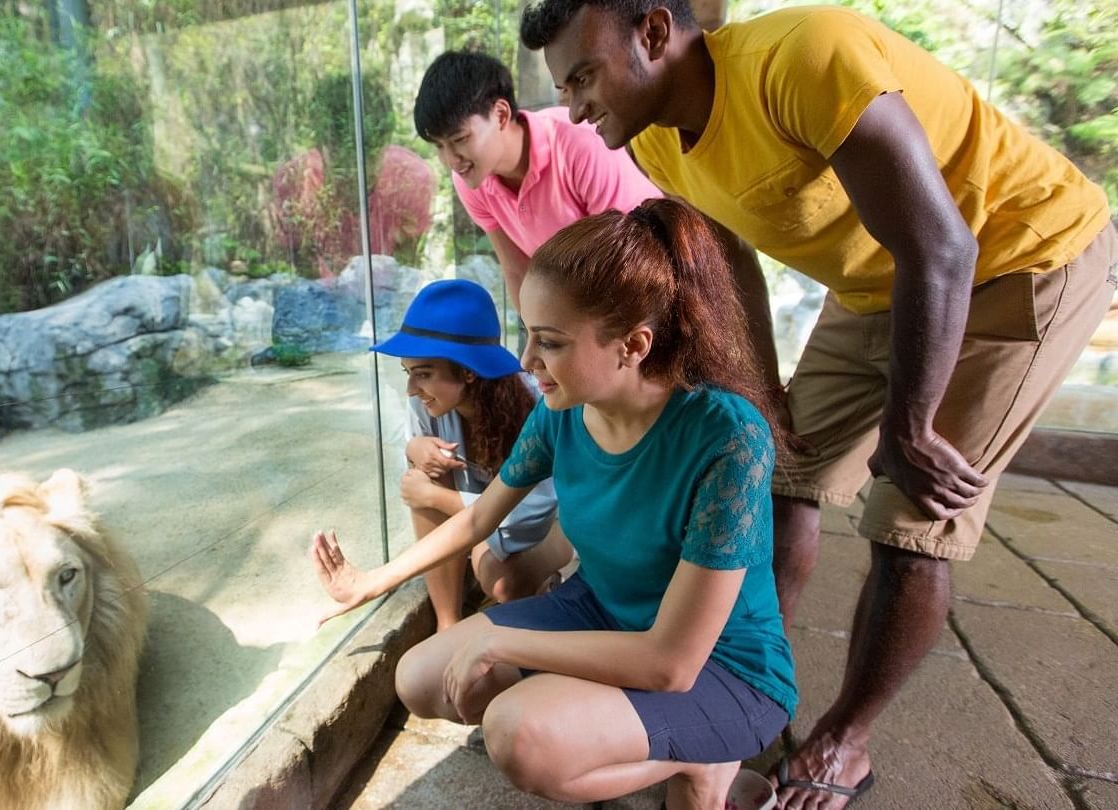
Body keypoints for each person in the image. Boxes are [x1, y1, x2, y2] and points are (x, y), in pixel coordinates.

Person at [518, 1, 1117, 806]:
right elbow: (729, 268)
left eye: (583, 76)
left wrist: (907, 425)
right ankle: (738, 688)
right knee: (783, 476)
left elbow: (943, 245)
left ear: (653, 34)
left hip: (1017, 260)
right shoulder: (656, 134)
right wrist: (763, 401)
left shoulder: (804, 56)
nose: (574, 106)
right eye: (563, 86)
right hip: (877, 281)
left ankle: (843, 742)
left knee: (911, 523)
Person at [312, 199, 797, 809]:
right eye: (526, 335)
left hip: (720, 667)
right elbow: (481, 518)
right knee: (418, 678)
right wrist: (369, 582)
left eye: (549, 342)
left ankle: (706, 761)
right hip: (602, 611)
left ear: (633, 345)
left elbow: (671, 663)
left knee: (519, 735)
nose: (525, 362)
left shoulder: (729, 438)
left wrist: (502, 644)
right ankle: (627, 732)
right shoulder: (560, 414)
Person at [372, 278, 573, 631]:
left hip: (546, 526)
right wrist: (414, 447)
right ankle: (446, 621)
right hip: (479, 522)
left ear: (468, 371)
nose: (411, 389)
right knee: (424, 467)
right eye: (408, 373)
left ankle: (541, 594)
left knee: (504, 585)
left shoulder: (537, 405)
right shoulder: (428, 402)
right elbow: (420, 461)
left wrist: (436, 497)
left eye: (423, 374)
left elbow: (530, 514)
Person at [414, 51, 661, 310]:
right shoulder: (470, 179)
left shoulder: (579, 144)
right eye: (439, 147)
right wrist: (537, 342)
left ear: (500, 114)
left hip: (652, 284)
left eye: (460, 139)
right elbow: (517, 270)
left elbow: (632, 255)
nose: (451, 159)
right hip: (591, 300)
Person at [273, 72, 435, 275]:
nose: (355, 168)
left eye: (369, 153)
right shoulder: (294, 180)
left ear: (385, 142)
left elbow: (406, 272)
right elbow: (300, 269)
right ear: (320, 145)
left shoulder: (411, 180)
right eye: (342, 156)